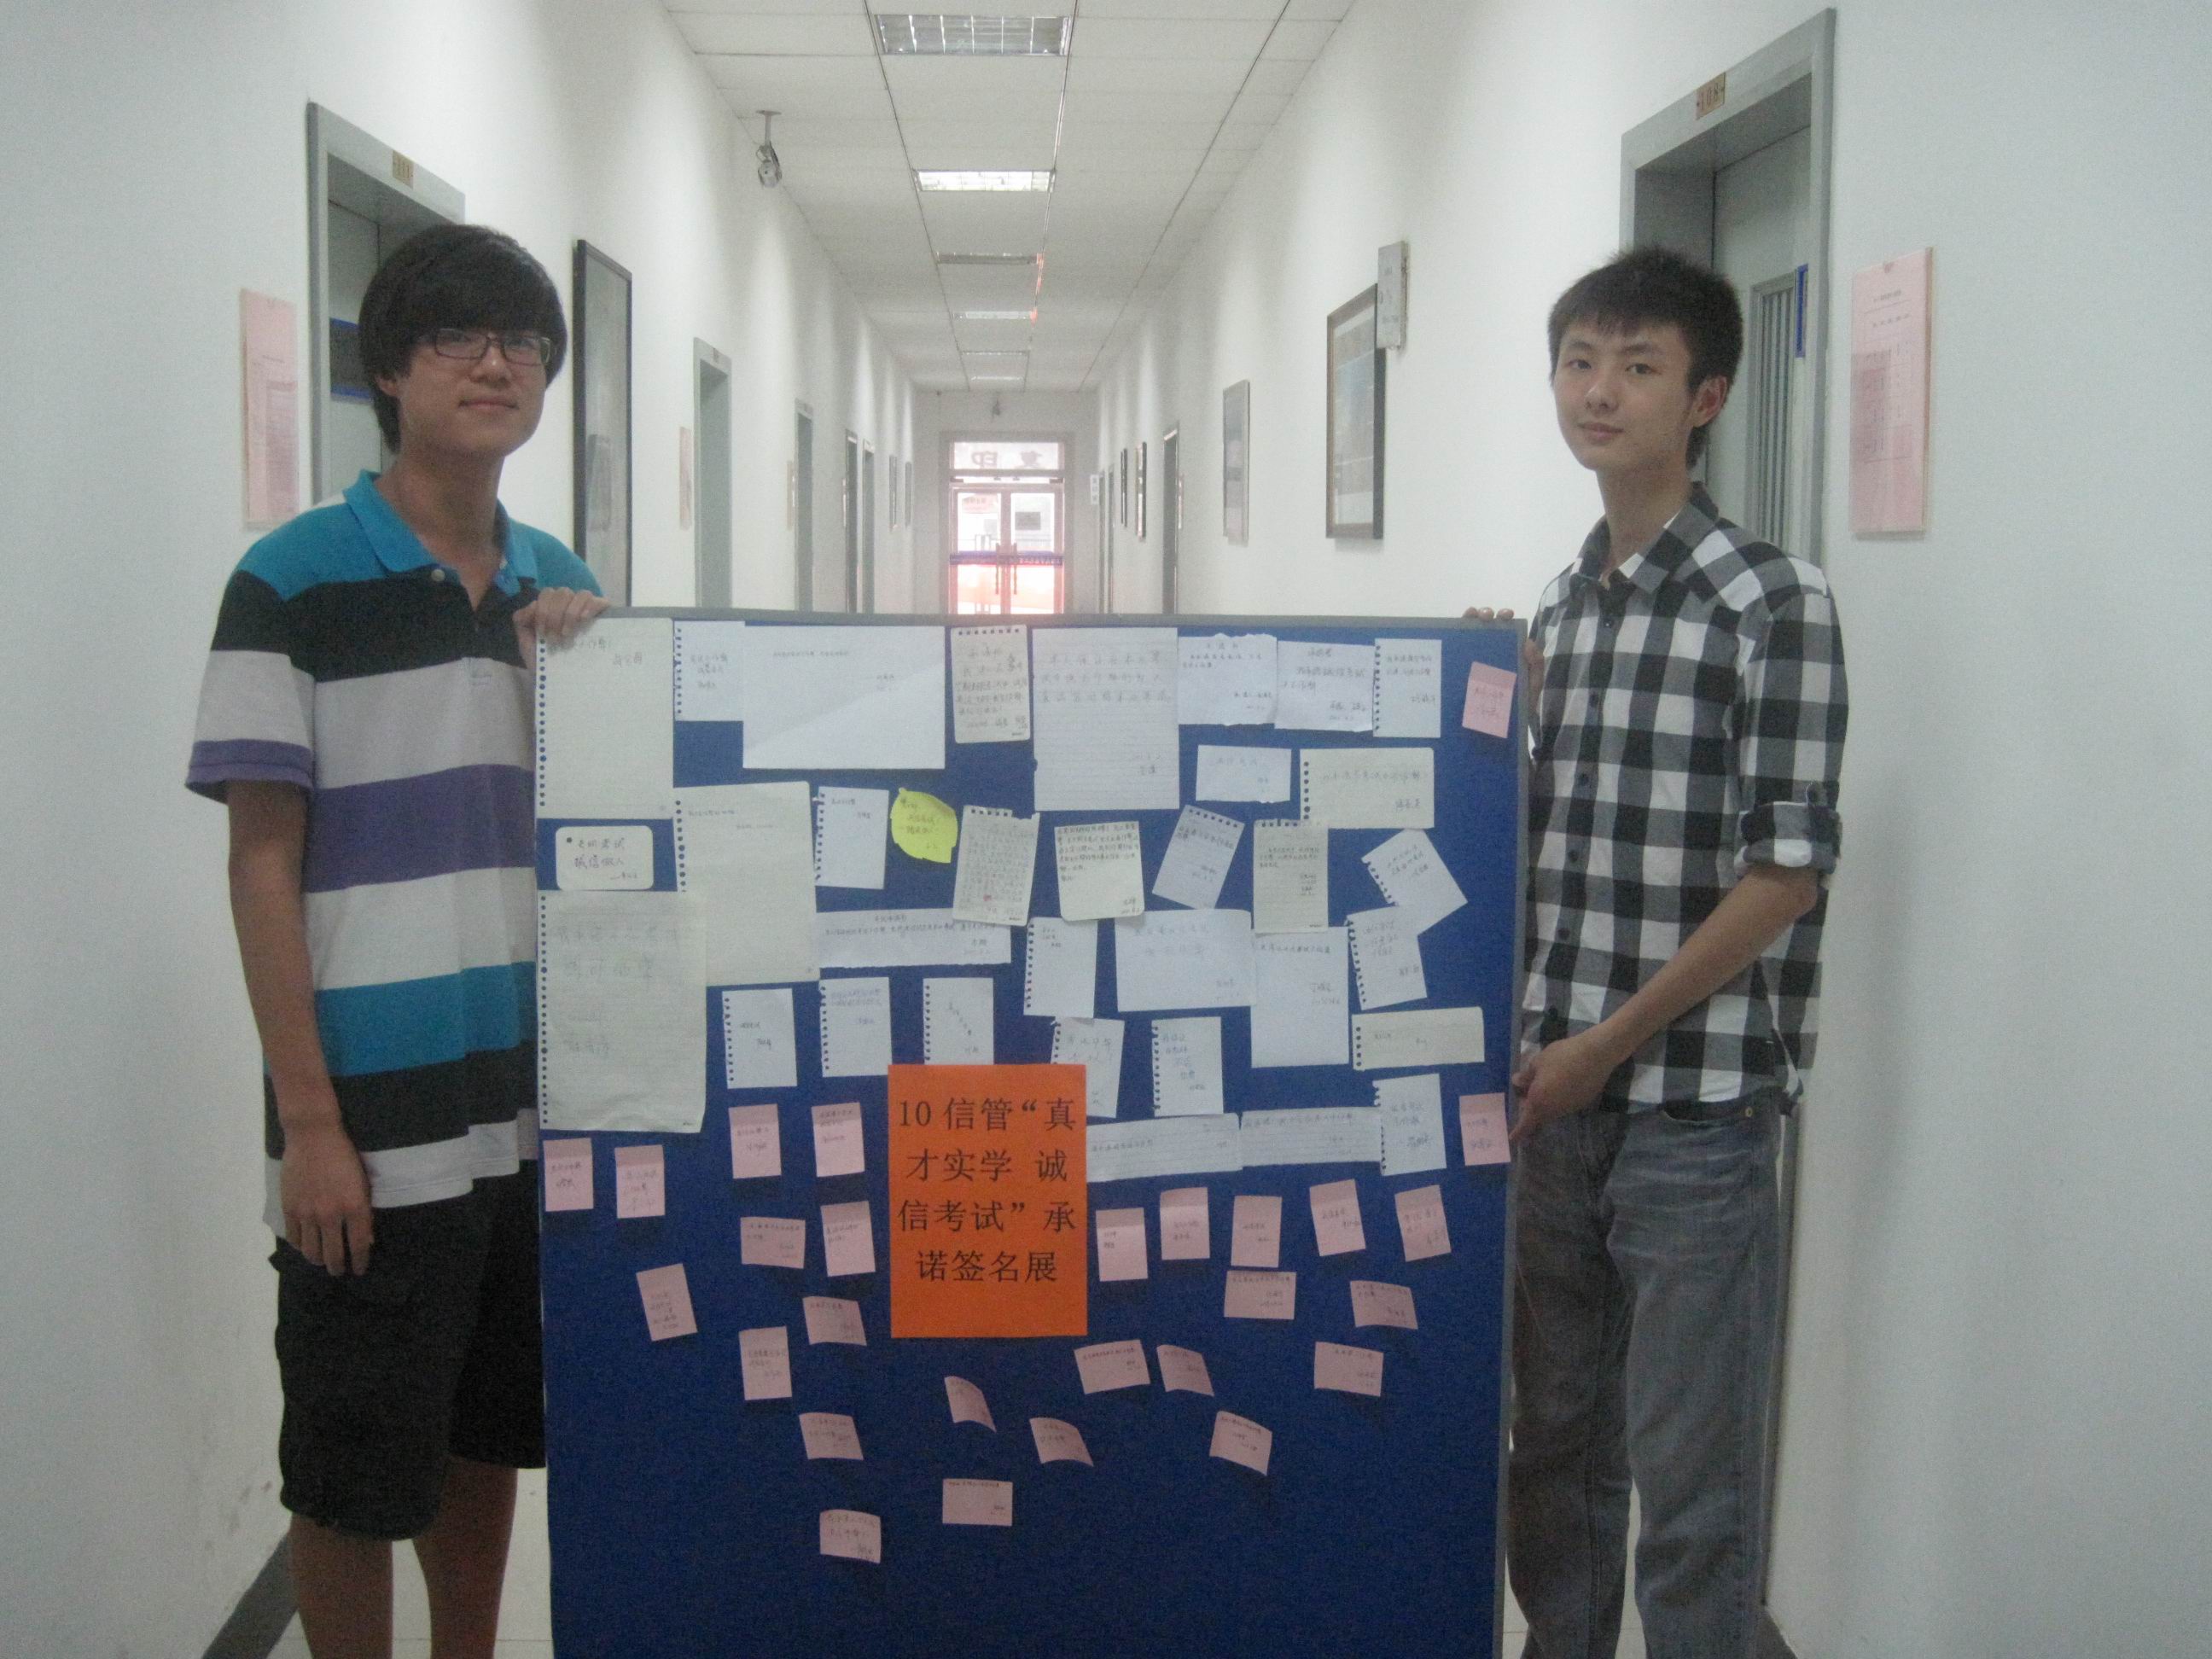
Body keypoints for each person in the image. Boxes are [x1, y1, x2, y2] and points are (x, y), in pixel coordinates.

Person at [188, 224, 607, 1659]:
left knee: (484, 1436)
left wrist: (586, 668)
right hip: (367, 1116)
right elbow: (260, 859)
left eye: (523, 341)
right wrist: (309, 1121)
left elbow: (609, 839)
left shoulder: (561, 590)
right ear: (386, 369)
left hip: (524, 1104)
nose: (496, 363)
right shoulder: (291, 582)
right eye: (455, 337)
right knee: (351, 1468)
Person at [1481, 247, 1848, 1657]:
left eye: (1638, 367)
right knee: (1556, 1457)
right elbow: (1556, 839)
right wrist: (1492, 714)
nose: (1599, 392)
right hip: (1554, 1106)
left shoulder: (1772, 603)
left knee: (1694, 1497)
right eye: (1580, 361)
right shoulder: (1562, 610)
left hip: (1691, 1114)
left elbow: (1784, 877)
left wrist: (1604, 1046)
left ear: (1707, 398)